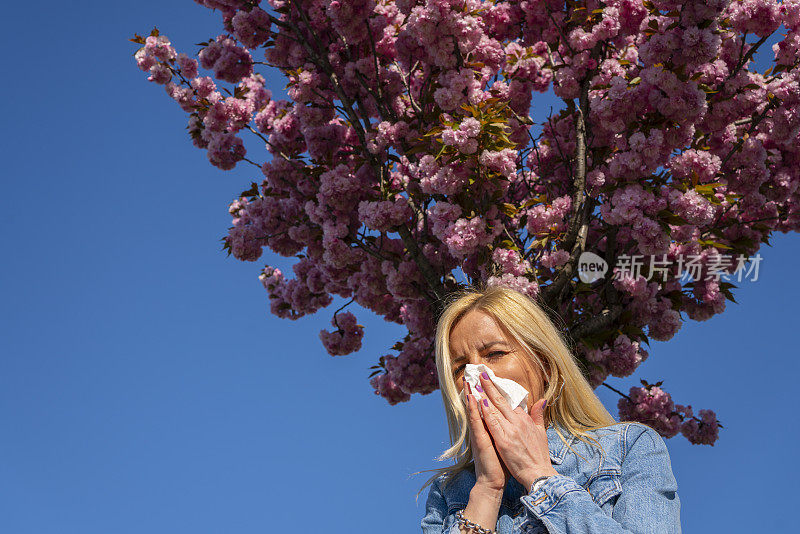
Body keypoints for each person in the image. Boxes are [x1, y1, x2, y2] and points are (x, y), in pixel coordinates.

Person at [416, 285, 680, 534]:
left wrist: (539, 475)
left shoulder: (626, 448)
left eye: (495, 354)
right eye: (460, 368)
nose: (477, 374)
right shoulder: (447, 491)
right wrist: (487, 490)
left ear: (544, 365)